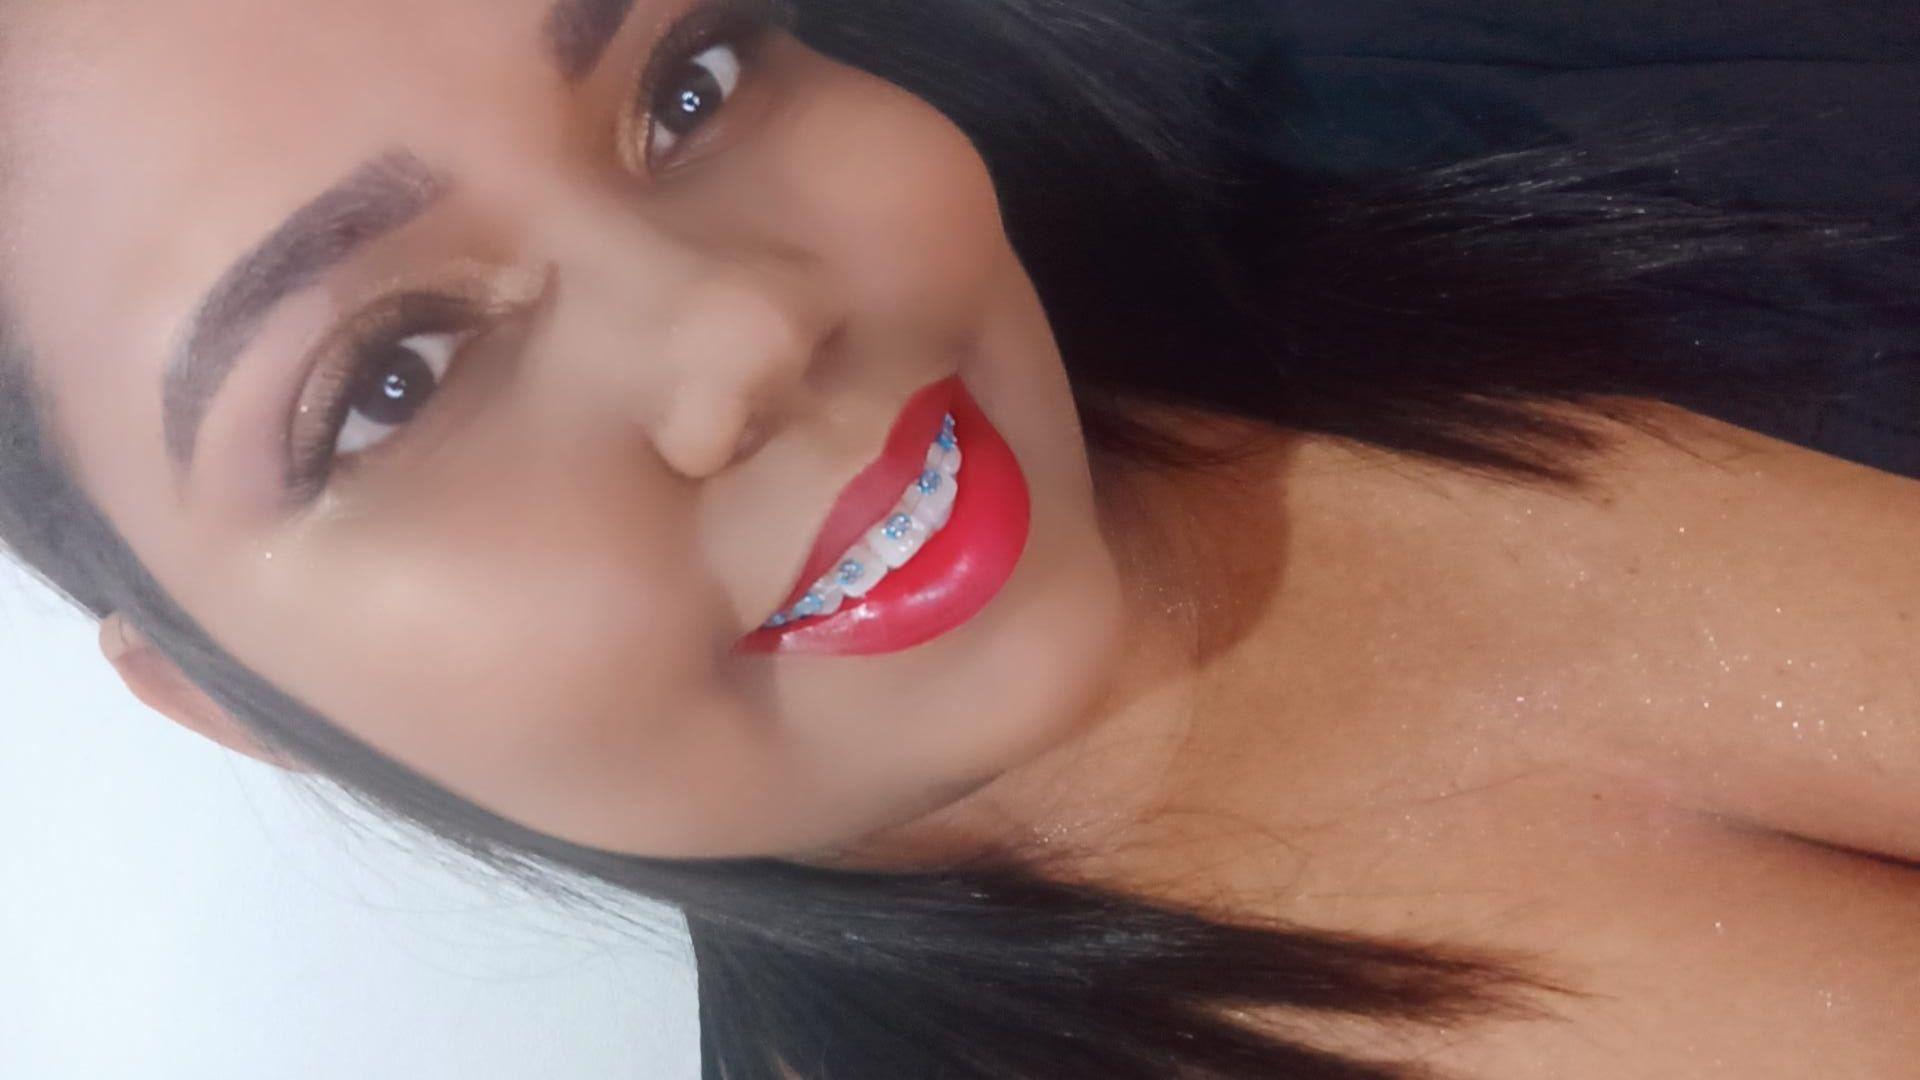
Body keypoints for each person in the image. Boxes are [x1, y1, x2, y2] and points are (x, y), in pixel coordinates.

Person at [1, 1, 1914, 1076]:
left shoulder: (1406, 87)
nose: (739, 328)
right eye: (391, 382)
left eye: (685, 84)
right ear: (224, 701)